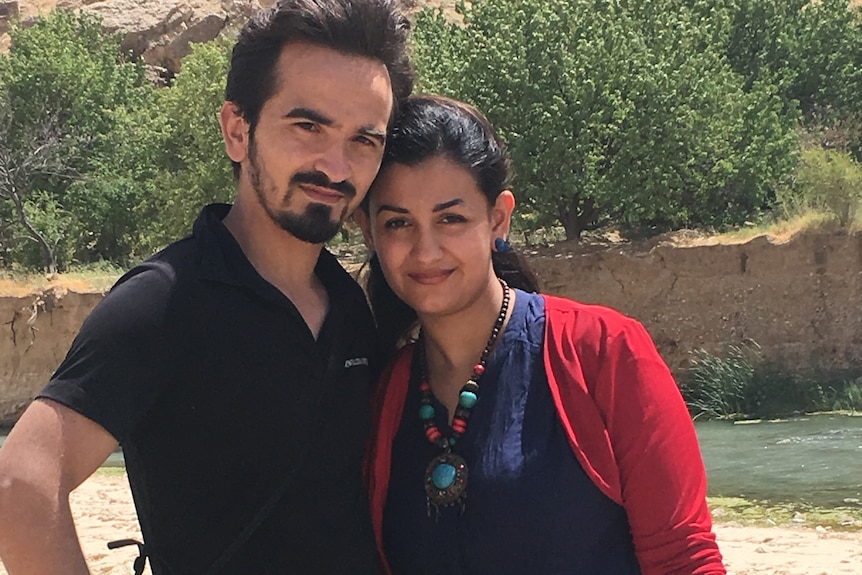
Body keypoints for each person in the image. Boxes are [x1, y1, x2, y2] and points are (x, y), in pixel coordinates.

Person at [0, 1, 413, 573]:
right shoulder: (166, 300)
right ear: (238, 130)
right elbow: (21, 481)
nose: (337, 168)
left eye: (364, 140)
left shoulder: (347, 305)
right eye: (308, 126)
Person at [354, 95, 726, 575]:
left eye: (451, 219)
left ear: (498, 218)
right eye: (398, 223)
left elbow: (685, 559)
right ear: (368, 231)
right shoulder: (385, 394)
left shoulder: (604, 352)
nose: (426, 251)